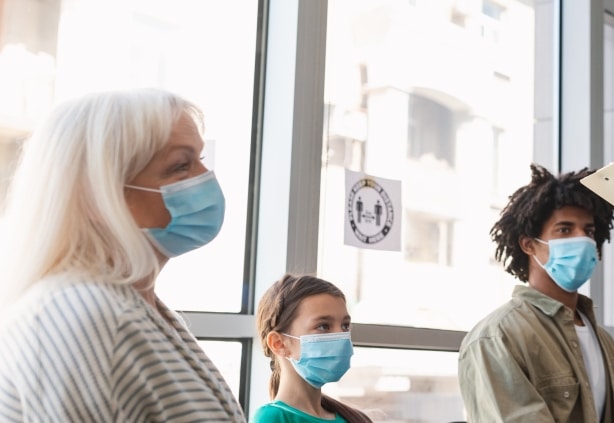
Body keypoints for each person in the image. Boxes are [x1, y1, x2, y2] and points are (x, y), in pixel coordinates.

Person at [0, 88, 244, 421]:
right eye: (181, 165)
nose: (206, 177)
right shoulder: (80, 314)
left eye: (201, 159)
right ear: (100, 195)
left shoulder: (138, 309)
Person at [458, 164, 614, 423]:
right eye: (564, 229)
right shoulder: (498, 336)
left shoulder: (603, 339)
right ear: (529, 245)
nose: (582, 239)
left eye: (589, 231)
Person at [252, 274, 372, 423]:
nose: (341, 337)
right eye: (323, 326)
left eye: (345, 326)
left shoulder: (356, 418)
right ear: (279, 343)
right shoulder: (272, 417)